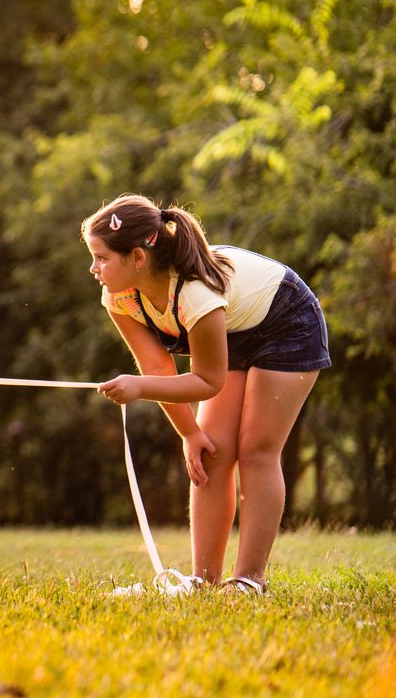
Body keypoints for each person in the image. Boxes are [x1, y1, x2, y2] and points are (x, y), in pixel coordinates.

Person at [83, 194, 330, 594]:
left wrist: (139, 390)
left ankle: (249, 580)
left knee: (256, 450)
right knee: (212, 452)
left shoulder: (194, 293)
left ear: (138, 258)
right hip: (233, 328)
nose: (93, 268)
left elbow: (207, 380)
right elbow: (158, 367)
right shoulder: (119, 296)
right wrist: (190, 435)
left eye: (102, 258)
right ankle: (204, 580)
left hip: (288, 321)